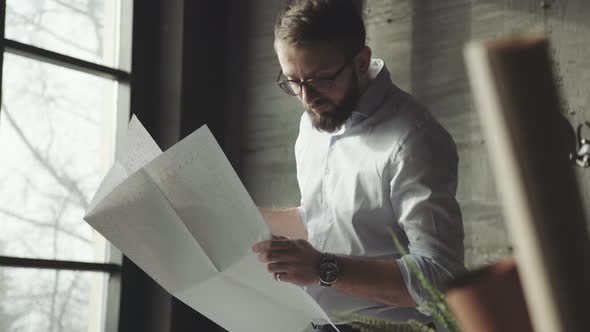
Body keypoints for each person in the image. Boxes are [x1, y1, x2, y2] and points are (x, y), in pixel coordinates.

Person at [251, 1, 465, 331]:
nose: (307, 97)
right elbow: (324, 219)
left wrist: (323, 268)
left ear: (361, 61)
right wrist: (236, 216)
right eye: (293, 81)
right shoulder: (313, 124)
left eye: (320, 79)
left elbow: (440, 278)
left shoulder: (413, 139)